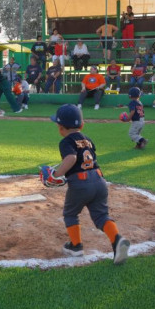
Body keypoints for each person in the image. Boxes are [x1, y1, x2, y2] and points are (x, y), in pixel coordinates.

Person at [47, 104, 131, 264]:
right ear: (82, 125)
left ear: (60, 127)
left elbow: (71, 158)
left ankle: (76, 247)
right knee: (101, 216)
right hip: (99, 180)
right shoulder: (88, 140)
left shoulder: (65, 141)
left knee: (70, 214)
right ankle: (117, 240)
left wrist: (56, 175)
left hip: (80, 183)